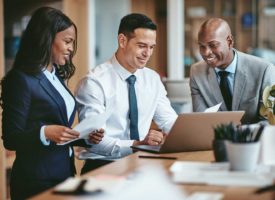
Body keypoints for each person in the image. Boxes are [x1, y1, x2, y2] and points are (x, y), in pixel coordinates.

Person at [0, 7, 102, 199]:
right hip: (35, 182)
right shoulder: (21, 79)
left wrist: (85, 138)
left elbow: (59, 132)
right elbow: (11, 138)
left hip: (64, 175)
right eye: (67, 41)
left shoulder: (56, 77)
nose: (71, 49)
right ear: (47, 38)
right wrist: (45, 132)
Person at [75, 13, 178, 174]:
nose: (148, 53)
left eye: (152, 47)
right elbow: (95, 141)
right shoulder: (94, 82)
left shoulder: (152, 79)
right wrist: (137, 144)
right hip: (103, 168)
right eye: (142, 45)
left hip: (144, 165)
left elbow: (169, 121)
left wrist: (187, 134)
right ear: (122, 40)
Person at [190, 18, 275, 124]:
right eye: (202, 46)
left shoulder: (264, 70)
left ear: (229, 42)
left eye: (213, 45)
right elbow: (201, 119)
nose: (206, 53)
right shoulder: (197, 72)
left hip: (253, 139)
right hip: (215, 138)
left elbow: (269, 121)